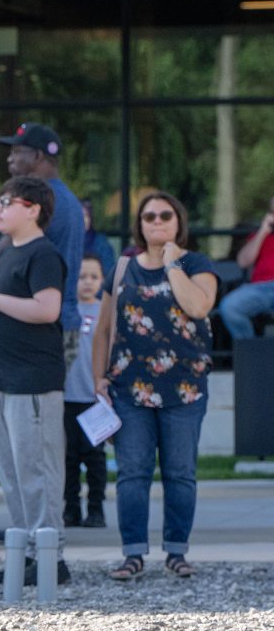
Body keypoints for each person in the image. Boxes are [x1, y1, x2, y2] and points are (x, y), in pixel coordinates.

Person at [92, 191, 218, 581]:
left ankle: (177, 552)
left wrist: (171, 263)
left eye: (166, 215)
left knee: (180, 472)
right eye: (149, 217)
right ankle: (132, 554)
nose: (157, 222)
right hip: (130, 388)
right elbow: (103, 330)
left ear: (179, 221)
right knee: (132, 473)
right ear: (140, 224)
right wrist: (98, 377)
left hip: (185, 389)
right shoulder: (122, 267)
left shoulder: (197, 264)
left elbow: (197, 307)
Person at [0, 176, 71, 585]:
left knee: (38, 474)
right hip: (2, 381)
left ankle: (51, 559)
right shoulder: (7, 254)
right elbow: (8, 304)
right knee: (14, 475)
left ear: (33, 209)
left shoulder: (43, 254)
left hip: (34, 384)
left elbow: (47, 308)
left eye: (7, 202)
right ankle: (26, 555)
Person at [0, 123, 84, 367]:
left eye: (17, 151)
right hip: (55, 320)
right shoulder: (65, 198)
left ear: (39, 156)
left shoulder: (41, 199)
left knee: (37, 403)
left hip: (42, 328)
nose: (10, 159)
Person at [63, 255, 108, 528]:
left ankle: (96, 509)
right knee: (67, 459)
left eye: (93, 277)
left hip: (94, 399)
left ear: (102, 281)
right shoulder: (66, 311)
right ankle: (70, 509)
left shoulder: (106, 312)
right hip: (67, 397)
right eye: (82, 277)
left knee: (95, 458)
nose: (88, 282)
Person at [218, 194, 274, 340]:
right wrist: (262, 232)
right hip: (260, 288)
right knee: (230, 306)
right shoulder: (261, 235)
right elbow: (243, 262)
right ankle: (251, 353)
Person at [81, 199, 116, 286]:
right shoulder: (68, 241)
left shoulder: (101, 243)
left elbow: (109, 276)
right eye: (78, 216)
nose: (82, 220)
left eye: (86, 216)